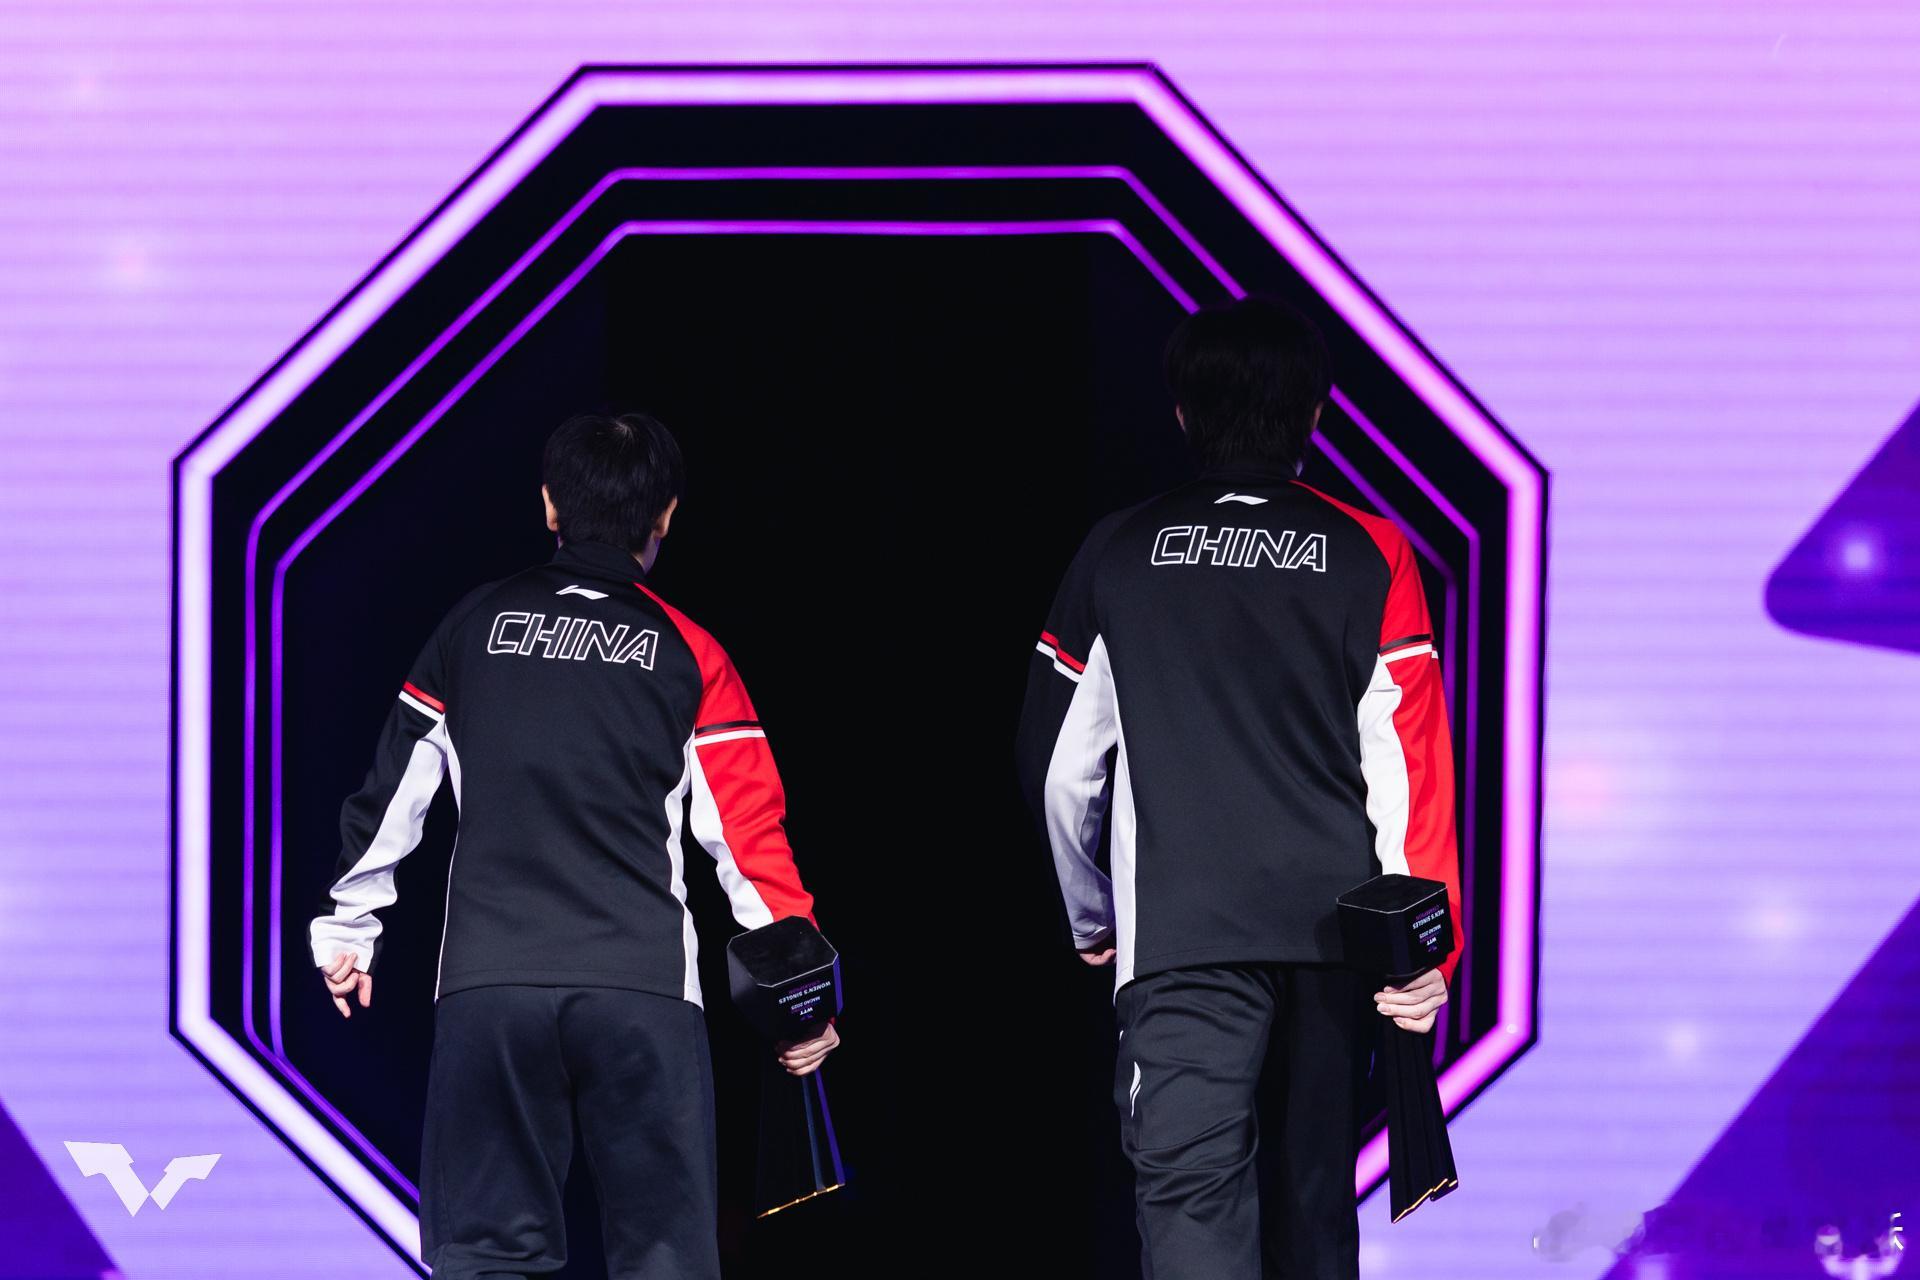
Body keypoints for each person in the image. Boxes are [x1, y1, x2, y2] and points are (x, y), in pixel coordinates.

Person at [309, 412, 838, 1280]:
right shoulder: (694, 653)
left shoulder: (470, 627)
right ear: (665, 516)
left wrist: (349, 929)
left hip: (490, 989)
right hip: (643, 995)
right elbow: (749, 837)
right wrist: (798, 999)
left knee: (483, 1259)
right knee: (665, 1264)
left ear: (550, 505)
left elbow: (393, 788)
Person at [1015, 297, 1464, 1279]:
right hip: (1334, 940)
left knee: (1190, 1206)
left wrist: (1093, 915)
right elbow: (1408, 757)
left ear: (1182, 412)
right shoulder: (1373, 550)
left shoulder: (1117, 549)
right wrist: (1425, 946)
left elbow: (1059, 768)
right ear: (1316, 415)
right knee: (1314, 1214)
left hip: (1181, 937)